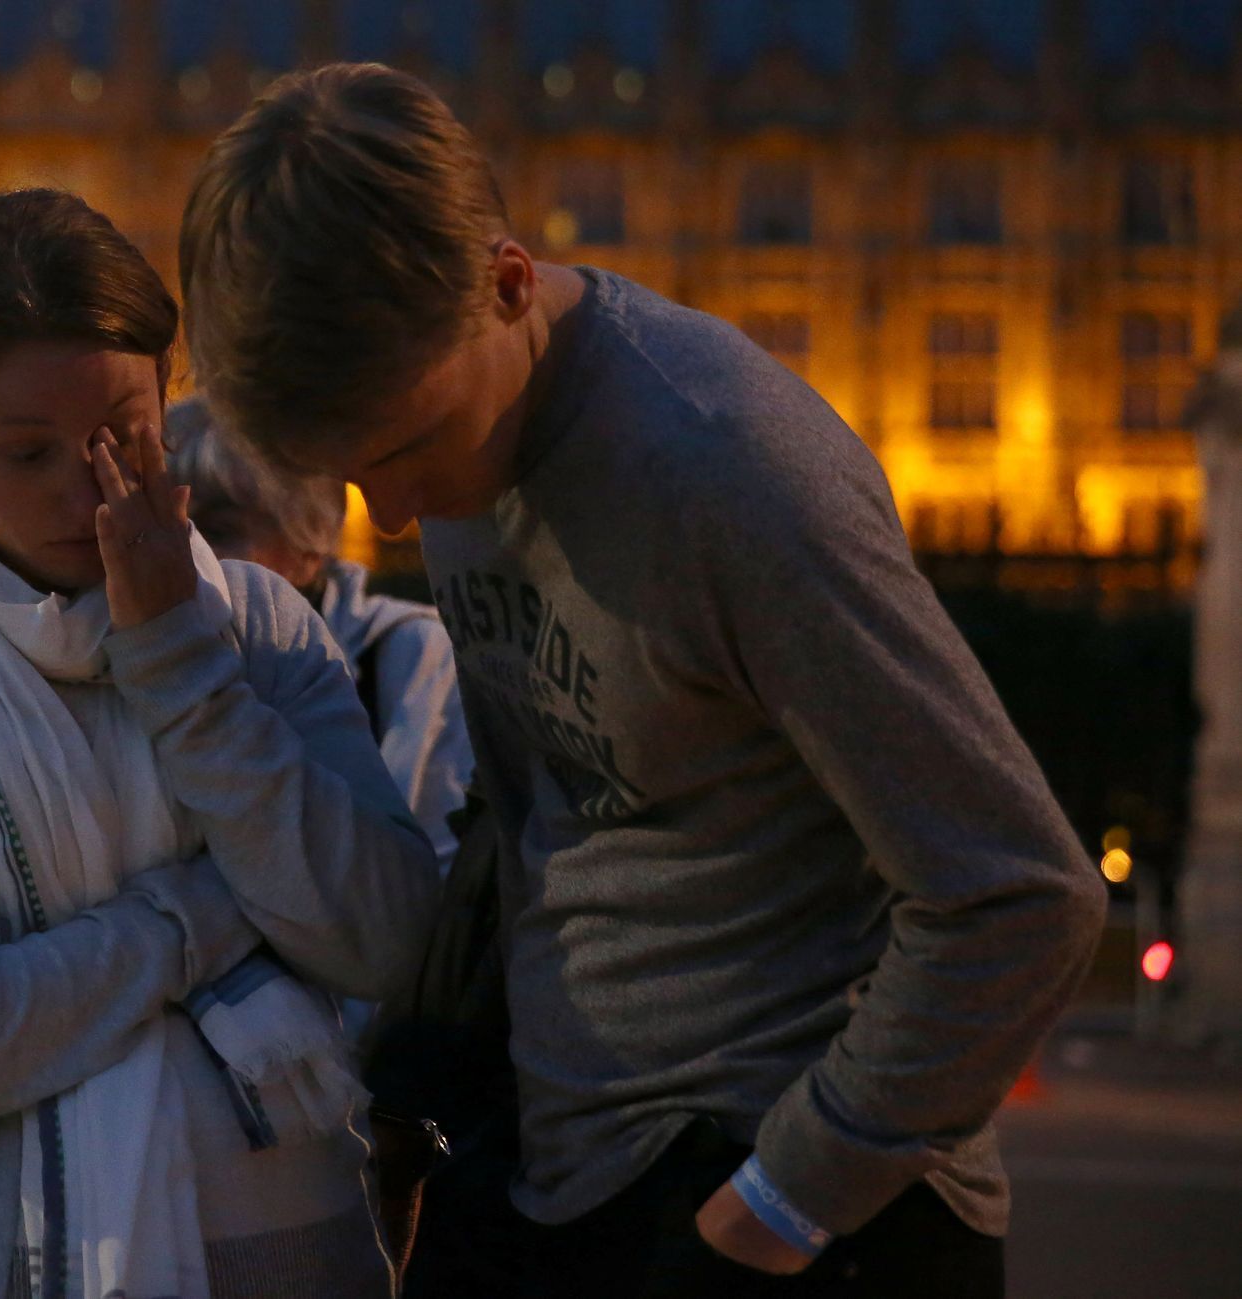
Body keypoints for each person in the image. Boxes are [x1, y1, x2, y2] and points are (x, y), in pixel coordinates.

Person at [178, 63, 1108, 1297]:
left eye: (403, 451)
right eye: (345, 476)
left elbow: (1022, 897)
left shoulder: (727, 475)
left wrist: (775, 1208)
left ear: (506, 283)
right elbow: (535, 814)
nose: (391, 517)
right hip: (570, 1179)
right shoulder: (459, 405)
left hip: (783, 1209)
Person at [0, 188, 438, 1299]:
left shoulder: (254, 628)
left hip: (284, 1252)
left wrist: (182, 666)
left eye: (125, 435)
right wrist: (204, 915)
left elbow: (381, 941)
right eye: (28, 454)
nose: (90, 488)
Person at [165, 397, 472, 876]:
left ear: (309, 544)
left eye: (216, 530)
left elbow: (443, 882)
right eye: (166, 524)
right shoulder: (128, 663)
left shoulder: (418, 663)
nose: (186, 552)